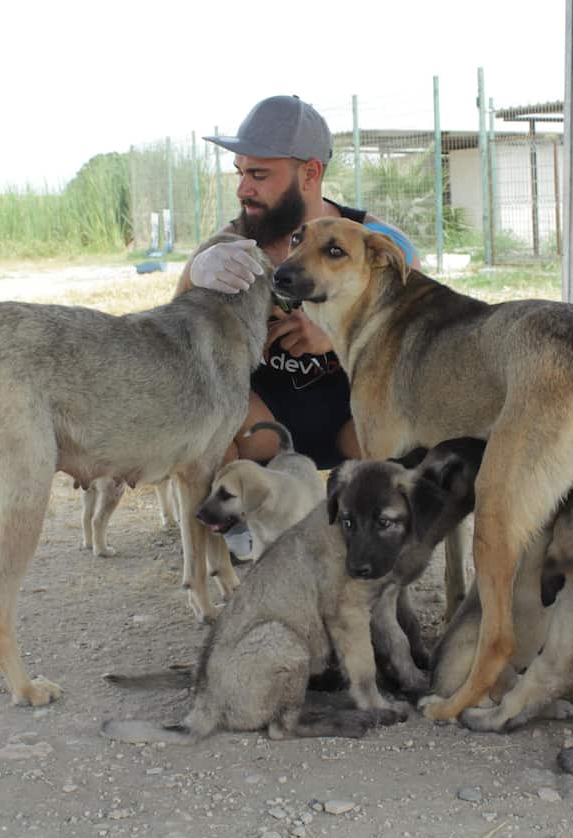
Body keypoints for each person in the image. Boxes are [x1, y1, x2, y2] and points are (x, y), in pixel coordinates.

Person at [177, 94, 419, 559]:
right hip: (261, 426)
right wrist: (195, 273)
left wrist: (334, 332)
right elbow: (172, 333)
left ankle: (375, 521)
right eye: (240, 172)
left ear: (310, 173)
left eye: (259, 174)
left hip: (351, 419)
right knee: (202, 391)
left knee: (413, 408)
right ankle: (231, 528)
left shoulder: (368, 237)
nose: (243, 188)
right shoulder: (232, 246)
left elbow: (416, 315)